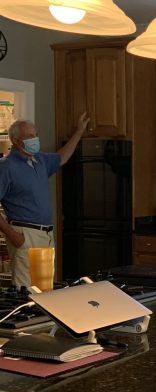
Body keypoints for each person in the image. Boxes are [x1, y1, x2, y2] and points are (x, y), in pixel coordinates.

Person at [0, 112, 89, 288]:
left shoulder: (39, 160)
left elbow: (62, 156)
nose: (34, 139)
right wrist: (13, 236)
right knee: (27, 290)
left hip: (46, 235)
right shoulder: (6, 166)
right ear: (16, 140)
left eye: (35, 135)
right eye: (29, 136)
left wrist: (79, 132)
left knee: (46, 289)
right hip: (25, 234)